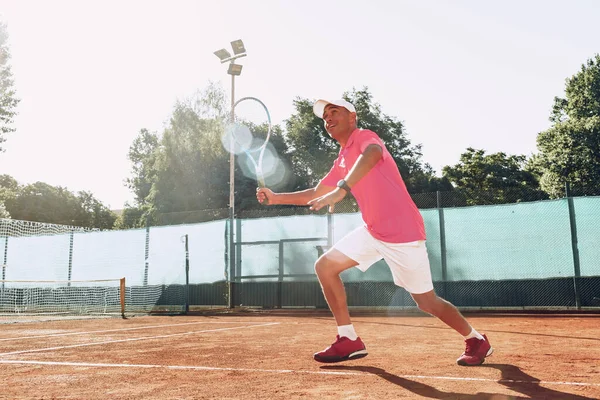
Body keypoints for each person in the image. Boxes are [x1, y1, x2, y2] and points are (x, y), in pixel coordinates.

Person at [256, 98, 493, 366]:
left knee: (426, 302)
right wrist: (275, 198)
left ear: (352, 118)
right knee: (325, 266)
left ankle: (476, 340)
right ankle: (348, 339)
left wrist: (342, 189)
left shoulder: (365, 138)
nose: (328, 118)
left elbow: (373, 155)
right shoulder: (343, 159)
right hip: (372, 231)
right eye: (325, 117)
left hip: (403, 233)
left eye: (335, 112)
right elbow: (315, 193)